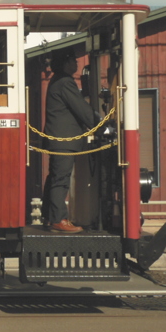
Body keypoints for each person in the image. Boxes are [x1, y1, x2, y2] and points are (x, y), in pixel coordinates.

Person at [42, 48, 96, 234]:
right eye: (74, 59)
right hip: (64, 140)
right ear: (65, 63)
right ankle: (58, 219)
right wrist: (101, 124)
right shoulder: (65, 83)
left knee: (55, 177)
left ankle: (49, 215)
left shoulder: (56, 81)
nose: (77, 63)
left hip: (58, 139)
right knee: (60, 179)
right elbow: (81, 109)